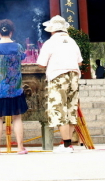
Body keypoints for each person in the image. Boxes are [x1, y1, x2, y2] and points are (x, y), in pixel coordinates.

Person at [37, 15, 82, 153]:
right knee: (71, 107)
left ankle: (66, 144)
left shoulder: (50, 43)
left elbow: (41, 63)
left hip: (58, 75)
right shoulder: (72, 41)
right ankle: (68, 143)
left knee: (59, 108)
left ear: (52, 30)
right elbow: (80, 61)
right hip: (74, 75)